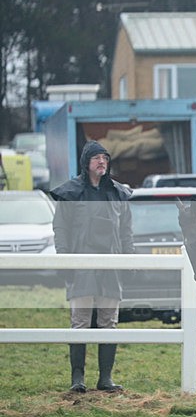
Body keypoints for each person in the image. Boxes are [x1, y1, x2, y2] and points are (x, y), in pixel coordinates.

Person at [50, 140, 134, 393]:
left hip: (112, 267)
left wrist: (129, 260)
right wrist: (64, 259)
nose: (102, 162)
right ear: (86, 163)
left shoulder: (118, 193)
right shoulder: (70, 193)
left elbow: (126, 231)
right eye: (97, 158)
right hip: (81, 267)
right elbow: (61, 228)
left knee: (109, 322)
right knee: (81, 322)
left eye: (105, 158)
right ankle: (78, 379)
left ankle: (105, 378)